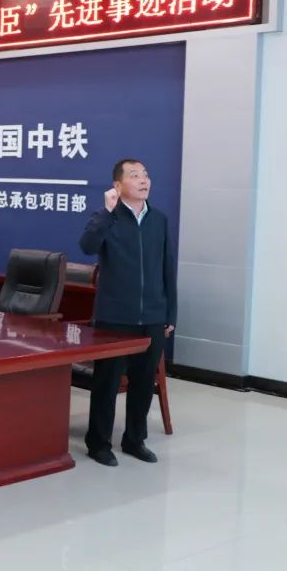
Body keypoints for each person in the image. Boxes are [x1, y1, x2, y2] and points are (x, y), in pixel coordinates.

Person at [79, 158, 177, 467]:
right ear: (118, 185)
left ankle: (135, 439)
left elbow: (167, 268)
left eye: (145, 175)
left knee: (143, 383)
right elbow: (87, 246)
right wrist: (107, 212)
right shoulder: (107, 218)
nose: (143, 180)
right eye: (134, 176)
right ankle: (98, 443)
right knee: (106, 384)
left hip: (153, 316)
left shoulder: (158, 220)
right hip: (114, 318)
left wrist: (170, 314)